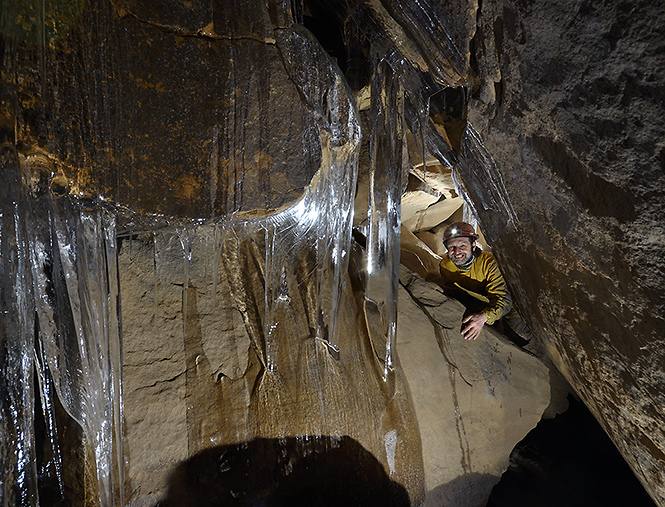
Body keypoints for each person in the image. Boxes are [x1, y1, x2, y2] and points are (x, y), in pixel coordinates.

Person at [438, 221, 532, 344]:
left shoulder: (489, 263)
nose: (457, 252)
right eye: (452, 247)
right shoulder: (445, 266)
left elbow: (504, 300)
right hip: (476, 299)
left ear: (473, 245)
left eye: (462, 246)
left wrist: (483, 317)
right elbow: (451, 290)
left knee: (521, 337)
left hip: (505, 302)